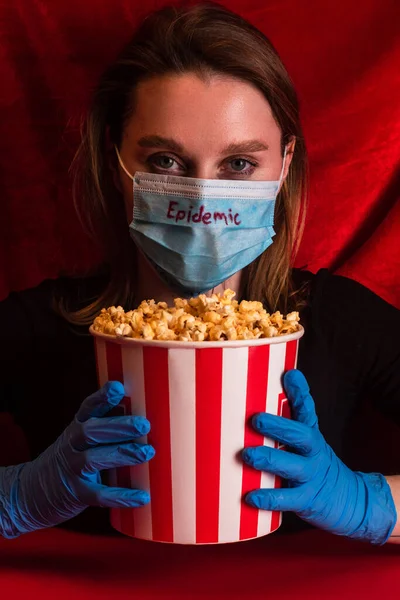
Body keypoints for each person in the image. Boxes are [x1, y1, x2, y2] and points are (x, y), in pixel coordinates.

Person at [0, 2, 399, 543]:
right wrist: (20, 496)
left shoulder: (343, 324)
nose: (205, 197)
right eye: (165, 161)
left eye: (238, 165)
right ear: (114, 161)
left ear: (283, 167)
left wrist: (366, 503)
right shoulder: (33, 329)